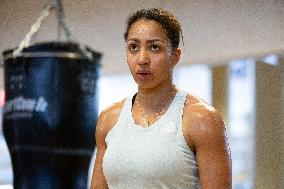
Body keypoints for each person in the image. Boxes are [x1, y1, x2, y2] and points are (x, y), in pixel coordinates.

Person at [90, 8, 231, 189]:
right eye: (134, 47)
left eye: (154, 47)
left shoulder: (202, 120)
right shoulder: (109, 119)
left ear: (175, 56)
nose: (142, 59)